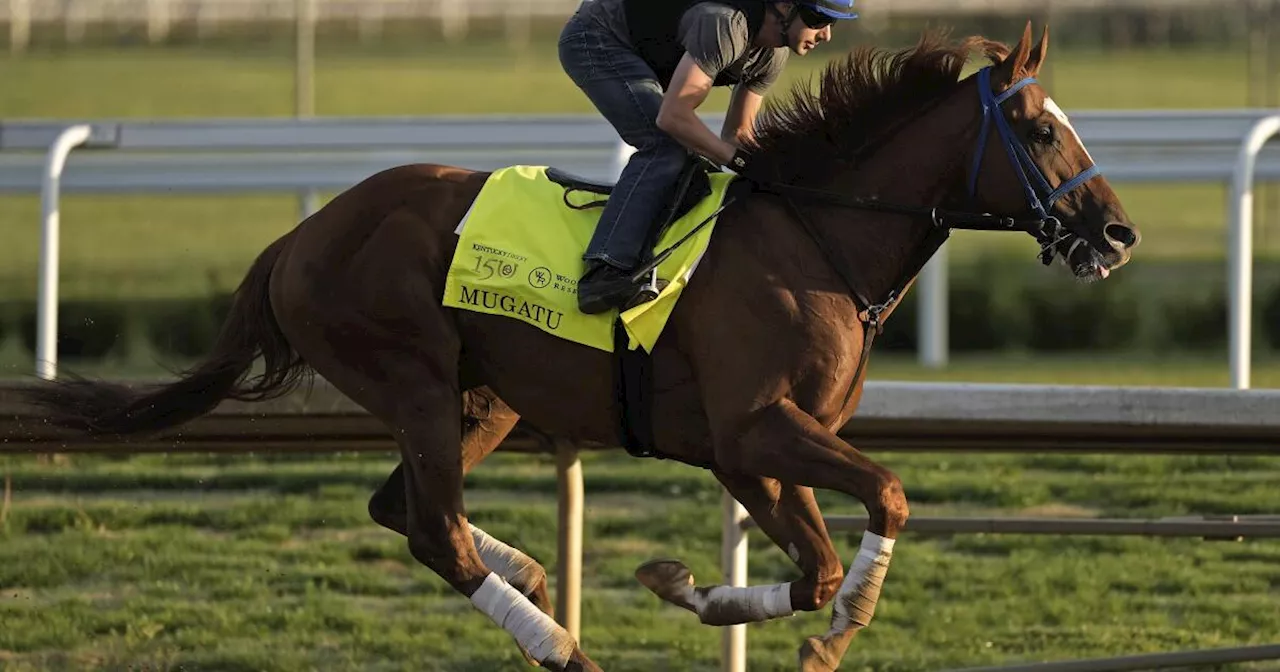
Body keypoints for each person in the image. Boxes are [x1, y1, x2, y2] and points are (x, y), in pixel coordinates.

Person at [558, 0, 858, 314]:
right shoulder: (725, 25)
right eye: (820, 19)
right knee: (666, 147)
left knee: (693, 167)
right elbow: (673, 117)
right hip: (596, 37)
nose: (825, 35)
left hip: (641, 49)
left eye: (832, 24)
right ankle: (605, 271)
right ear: (784, 6)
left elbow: (738, 136)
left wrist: (776, 172)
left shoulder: (772, 54)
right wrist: (738, 161)